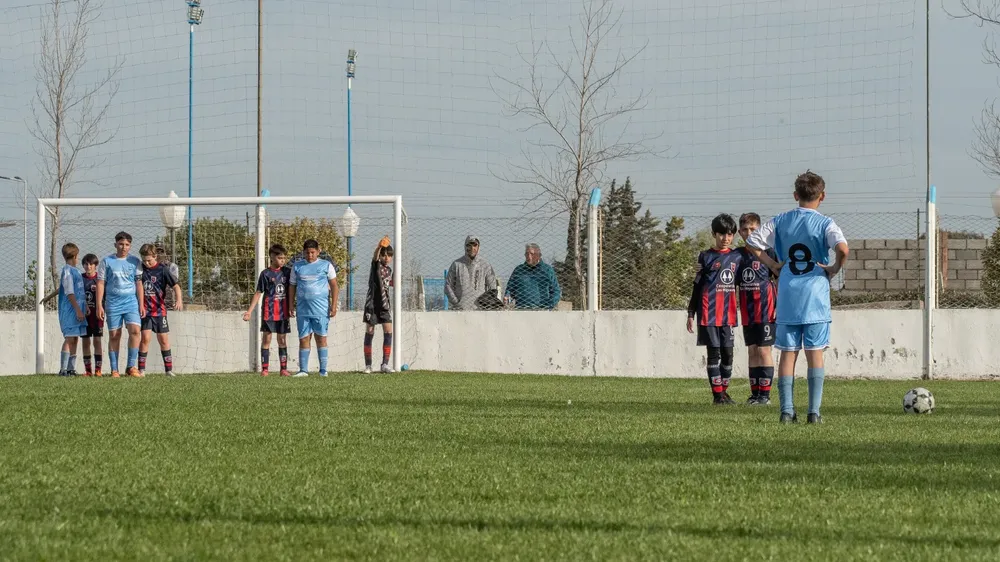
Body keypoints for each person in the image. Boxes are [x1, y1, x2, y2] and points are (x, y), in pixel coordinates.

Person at [747, 170, 849, 424]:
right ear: (822, 196)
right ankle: (813, 413)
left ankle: (786, 411)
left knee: (788, 353)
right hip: (815, 297)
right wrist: (834, 268)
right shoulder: (826, 223)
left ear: (795, 195)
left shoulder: (781, 220)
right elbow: (843, 249)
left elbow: (751, 241)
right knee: (815, 354)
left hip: (789, 296)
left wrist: (772, 264)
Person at [686, 214, 742, 405]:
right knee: (714, 354)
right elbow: (697, 286)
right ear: (714, 234)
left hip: (728, 315)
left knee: (728, 355)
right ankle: (717, 395)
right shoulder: (705, 256)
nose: (726, 238)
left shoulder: (737, 256)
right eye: (721, 234)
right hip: (708, 313)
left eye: (729, 234)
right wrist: (690, 313)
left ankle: (724, 392)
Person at [736, 213, 779, 405]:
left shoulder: (768, 252)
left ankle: (765, 396)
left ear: (760, 230)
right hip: (747, 311)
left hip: (766, 309)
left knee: (763, 351)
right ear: (739, 232)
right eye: (745, 229)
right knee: (752, 350)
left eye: (753, 229)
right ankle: (754, 395)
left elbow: (779, 278)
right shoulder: (737, 255)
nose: (749, 232)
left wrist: (781, 305)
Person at [96, 231, 144, 378]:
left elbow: (139, 283)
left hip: (130, 302)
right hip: (113, 303)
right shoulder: (106, 261)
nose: (124, 247)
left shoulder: (135, 262)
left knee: (135, 331)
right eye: (121, 244)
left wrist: (141, 304)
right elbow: (100, 283)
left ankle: (131, 367)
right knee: (115, 335)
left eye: (127, 245)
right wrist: (99, 304)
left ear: (130, 246)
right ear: (115, 244)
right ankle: (114, 369)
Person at [288, 239, 339, 377]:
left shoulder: (326, 265)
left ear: (318, 251)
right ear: (303, 252)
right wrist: (290, 304)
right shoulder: (297, 266)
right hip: (303, 310)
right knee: (304, 339)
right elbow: (292, 286)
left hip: (321, 310)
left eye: (312, 252)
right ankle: (303, 370)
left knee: (321, 338)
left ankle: (323, 370)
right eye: (307, 253)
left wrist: (333, 306)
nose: (310, 255)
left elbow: (334, 286)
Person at [244, 244, 292, 377]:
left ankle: (283, 369)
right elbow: (258, 292)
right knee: (267, 340)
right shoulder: (265, 274)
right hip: (269, 312)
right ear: (272, 257)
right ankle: (265, 369)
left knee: (282, 340)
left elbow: (293, 288)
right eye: (280, 258)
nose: (282, 260)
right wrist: (249, 311)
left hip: (283, 312)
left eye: (284, 258)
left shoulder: (287, 272)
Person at [138, 244, 182, 376]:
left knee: (163, 339)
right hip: (145, 310)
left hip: (159, 310)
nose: (146, 263)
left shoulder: (163, 270)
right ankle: (141, 370)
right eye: (144, 260)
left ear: (155, 257)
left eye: (149, 260)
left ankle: (168, 370)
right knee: (145, 338)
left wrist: (179, 300)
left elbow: (176, 286)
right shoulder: (140, 269)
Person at [363, 236, 394, 374]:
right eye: (384, 255)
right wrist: (378, 247)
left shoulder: (389, 270)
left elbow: (389, 284)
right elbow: (375, 258)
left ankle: (385, 364)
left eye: (389, 256)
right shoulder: (376, 265)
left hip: (385, 306)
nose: (386, 258)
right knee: (370, 332)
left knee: (388, 331)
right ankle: (368, 365)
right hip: (372, 305)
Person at [57, 243, 87, 377]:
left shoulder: (76, 271)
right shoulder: (67, 271)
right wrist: (78, 310)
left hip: (77, 311)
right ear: (75, 256)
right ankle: (63, 369)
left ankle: (71, 369)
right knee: (69, 339)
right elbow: (69, 292)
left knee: (75, 338)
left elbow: (79, 291)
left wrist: (84, 307)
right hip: (69, 312)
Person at [445, 236, 497, 310]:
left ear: (478, 247)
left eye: (475, 245)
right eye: (469, 245)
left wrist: (486, 305)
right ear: (465, 246)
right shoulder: (456, 264)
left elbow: (493, 288)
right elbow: (448, 286)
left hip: (479, 310)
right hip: (460, 311)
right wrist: (456, 303)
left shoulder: (485, 265)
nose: (472, 248)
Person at [504, 243, 561, 310]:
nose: (529, 256)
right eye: (527, 254)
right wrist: (507, 296)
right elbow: (510, 289)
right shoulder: (518, 270)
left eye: (532, 254)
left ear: (539, 255)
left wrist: (549, 307)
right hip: (521, 310)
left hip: (541, 310)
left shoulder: (547, 270)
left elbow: (556, 291)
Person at [81, 253, 104, 377]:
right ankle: (88, 370)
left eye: (91, 264)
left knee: (97, 340)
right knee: (85, 342)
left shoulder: (99, 280)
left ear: (96, 265)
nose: (88, 266)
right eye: (86, 264)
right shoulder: (80, 278)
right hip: (84, 316)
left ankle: (98, 370)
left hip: (97, 315)